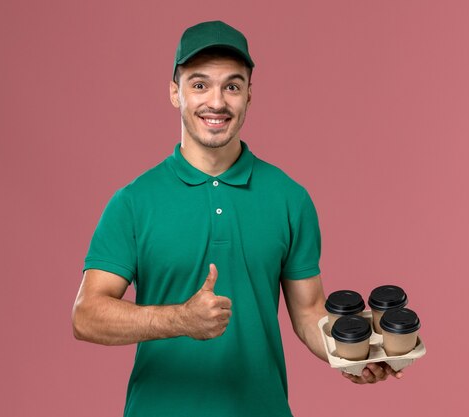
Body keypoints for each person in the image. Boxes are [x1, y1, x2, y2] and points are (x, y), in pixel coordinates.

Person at [72, 20, 402, 417]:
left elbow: (309, 313)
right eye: (199, 85)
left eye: (232, 85)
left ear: (248, 95)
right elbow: (87, 316)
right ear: (175, 93)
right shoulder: (133, 202)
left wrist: (350, 356)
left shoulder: (289, 198)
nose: (217, 102)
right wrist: (180, 319)